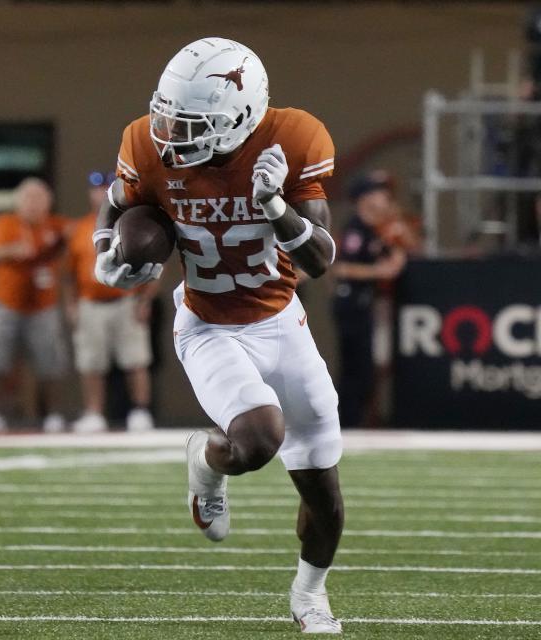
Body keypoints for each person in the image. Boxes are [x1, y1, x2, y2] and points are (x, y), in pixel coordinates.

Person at [94, 38, 344, 633]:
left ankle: (309, 596)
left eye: (194, 123)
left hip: (283, 323)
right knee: (259, 439)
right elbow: (115, 206)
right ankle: (209, 463)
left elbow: (320, 258)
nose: (173, 135)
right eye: (169, 115)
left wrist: (276, 206)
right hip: (207, 323)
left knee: (325, 497)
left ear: (244, 116)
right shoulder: (144, 144)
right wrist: (105, 252)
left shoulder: (295, 138)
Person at [0, 177, 70, 434]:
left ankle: (52, 414)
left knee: (50, 363)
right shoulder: (6, 223)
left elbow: (77, 237)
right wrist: (15, 250)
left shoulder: (56, 225)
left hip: (43, 305)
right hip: (6, 303)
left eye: (39, 199)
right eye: (29, 199)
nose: (34, 204)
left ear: (48, 203)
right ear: (19, 202)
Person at [66, 170, 155, 433]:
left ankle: (140, 411)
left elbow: (154, 263)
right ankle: (94, 413)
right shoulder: (79, 228)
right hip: (91, 303)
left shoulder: (130, 223)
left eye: (105, 188)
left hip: (125, 300)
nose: (100, 194)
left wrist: (145, 300)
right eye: (96, 189)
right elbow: (68, 274)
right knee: (91, 362)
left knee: (135, 360)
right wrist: (71, 305)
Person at [332, 172, 407, 428]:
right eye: (377, 193)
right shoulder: (356, 229)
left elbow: (398, 258)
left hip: (366, 304)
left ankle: (354, 422)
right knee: (356, 370)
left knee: (365, 371)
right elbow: (341, 268)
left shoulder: (377, 230)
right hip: (351, 303)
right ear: (364, 198)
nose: (384, 198)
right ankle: (346, 424)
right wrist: (378, 271)